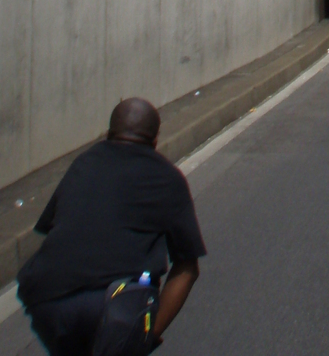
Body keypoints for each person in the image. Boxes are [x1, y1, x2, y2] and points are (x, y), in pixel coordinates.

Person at [17, 98, 205, 356]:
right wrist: (148, 335)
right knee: (144, 282)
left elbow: (53, 229)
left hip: (47, 300)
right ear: (154, 141)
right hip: (116, 303)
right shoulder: (167, 176)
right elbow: (186, 269)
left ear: (107, 134)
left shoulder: (83, 163)